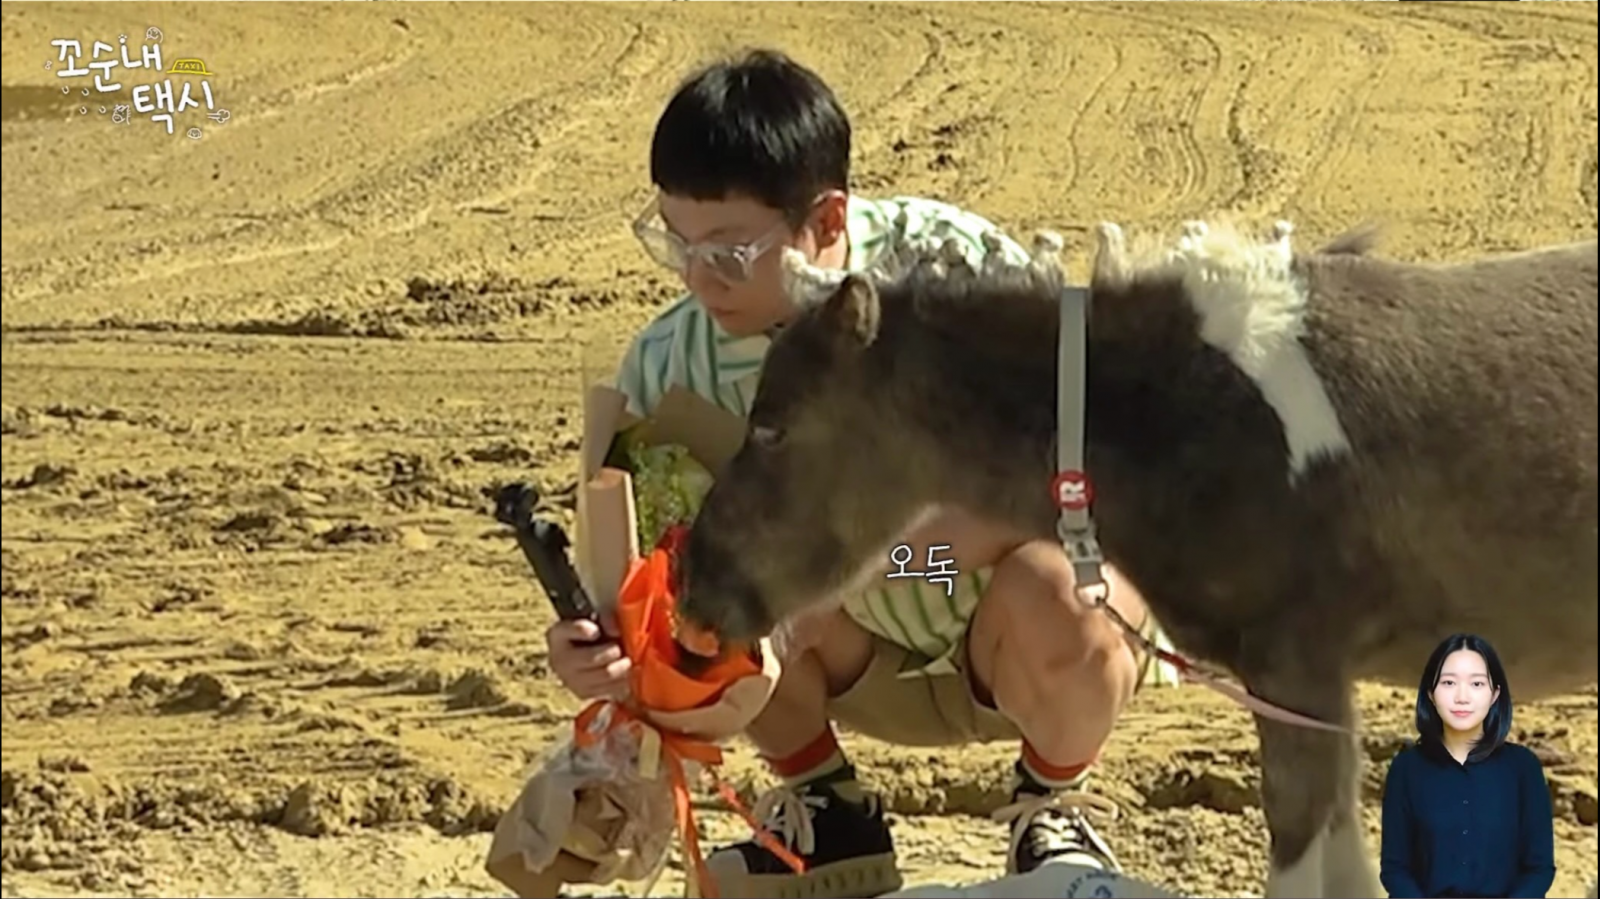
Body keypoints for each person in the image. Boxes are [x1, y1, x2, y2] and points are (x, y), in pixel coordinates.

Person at [546, 47, 1161, 898]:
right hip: (834, 659)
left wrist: (855, 565)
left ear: (827, 221)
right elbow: (646, 582)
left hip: (997, 609)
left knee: (1075, 586)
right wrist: (607, 649)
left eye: (728, 251)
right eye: (673, 241)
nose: (696, 278)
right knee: (704, 590)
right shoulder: (667, 363)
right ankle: (827, 810)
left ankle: (1049, 807)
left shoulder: (961, 277)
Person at [1379, 632, 1556, 899]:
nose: (1462, 697)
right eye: (1449, 683)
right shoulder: (1406, 769)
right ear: (1430, 692)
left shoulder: (1523, 768)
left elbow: (1540, 868)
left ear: (1495, 694)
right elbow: (1394, 869)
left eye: (1476, 684)